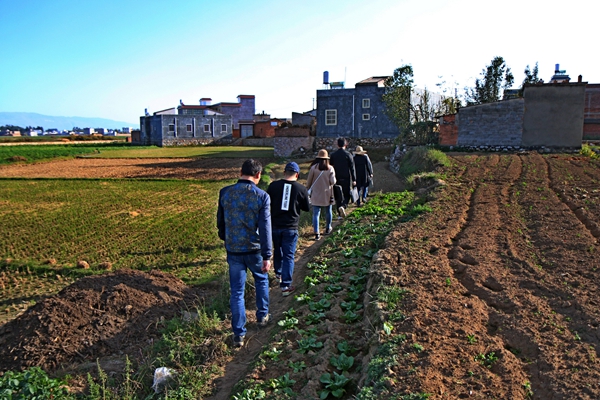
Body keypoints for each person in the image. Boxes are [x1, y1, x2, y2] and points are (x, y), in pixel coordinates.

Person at [217, 159, 272, 348]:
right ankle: (262, 316)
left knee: (237, 292)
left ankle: (238, 334)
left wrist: (226, 238)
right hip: (254, 249)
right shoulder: (262, 196)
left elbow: (220, 222)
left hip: (234, 249)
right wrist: (267, 256)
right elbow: (265, 228)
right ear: (258, 175)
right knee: (261, 280)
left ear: (240, 172)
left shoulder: (225, 193)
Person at [267, 162, 310, 296]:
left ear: (284, 172)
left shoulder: (273, 186)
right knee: (289, 255)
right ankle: (285, 285)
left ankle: (278, 273)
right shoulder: (300, 189)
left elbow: (267, 204)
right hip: (291, 227)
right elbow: (306, 208)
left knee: (277, 250)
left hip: (274, 226)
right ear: (297, 174)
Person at [306, 149, 336, 240]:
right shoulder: (330, 168)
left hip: (316, 193)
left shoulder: (313, 168)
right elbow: (333, 181)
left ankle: (317, 233)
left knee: (316, 214)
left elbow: (309, 182)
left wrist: (308, 190)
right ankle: (328, 228)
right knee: (328, 211)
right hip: (327, 194)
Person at [329, 137, 356, 217]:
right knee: (346, 195)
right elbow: (352, 168)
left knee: (338, 195)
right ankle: (343, 206)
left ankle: (339, 214)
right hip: (346, 178)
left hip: (336, 178)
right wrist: (354, 179)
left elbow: (331, 167)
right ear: (345, 144)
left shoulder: (333, 155)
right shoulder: (348, 154)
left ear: (337, 145)